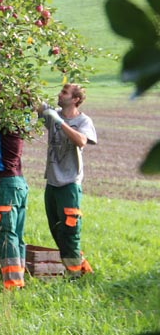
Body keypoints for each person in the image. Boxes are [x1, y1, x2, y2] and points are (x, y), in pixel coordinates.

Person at [39, 83, 97, 278]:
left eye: (65, 92)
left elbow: (81, 141)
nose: (60, 94)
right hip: (52, 183)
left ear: (75, 99)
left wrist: (60, 123)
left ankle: (74, 276)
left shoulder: (83, 120)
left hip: (69, 184)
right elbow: (34, 104)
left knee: (70, 230)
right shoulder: (53, 113)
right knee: (57, 230)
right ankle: (81, 267)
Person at [0, 117, 28, 290]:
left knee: (6, 233)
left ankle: (12, 283)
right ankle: (14, 276)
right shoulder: (20, 121)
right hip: (17, 183)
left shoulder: (7, 122)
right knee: (15, 234)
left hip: (8, 185)